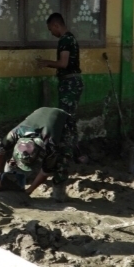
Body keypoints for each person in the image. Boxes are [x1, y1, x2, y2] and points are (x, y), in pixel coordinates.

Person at [0, 107, 74, 200]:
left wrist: (29, 190)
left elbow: (45, 171)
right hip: (40, 112)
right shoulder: (15, 133)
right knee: (18, 159)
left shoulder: (51, 146)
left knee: (62, 160)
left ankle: (59, 193)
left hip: (64, 122)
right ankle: (10, 178)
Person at [37, 13, 85, 161]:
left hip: (69, 83)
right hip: (72, 83)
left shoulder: (65, 40)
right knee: (67, 118)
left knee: (67, 119)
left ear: (56, 25)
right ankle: (72, 151)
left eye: (51, 29)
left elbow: (63, 64)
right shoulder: (71, 38)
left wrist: (46, 63)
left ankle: (74, 153)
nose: (51, 33)